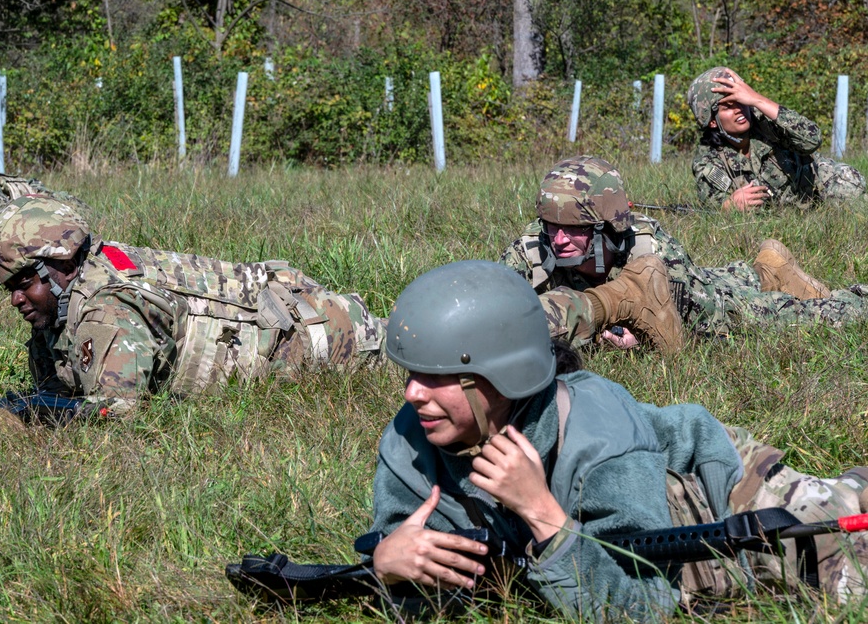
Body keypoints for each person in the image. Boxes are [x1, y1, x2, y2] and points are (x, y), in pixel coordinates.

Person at [368, 260, 868, 619]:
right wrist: (388, 566)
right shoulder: (410, 443)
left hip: (722, 498)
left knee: (853, 567)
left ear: (502, 377)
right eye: (412, 372)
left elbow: (646, 606)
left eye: (437, 376)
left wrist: (541, 513)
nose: (412, 393)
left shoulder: (596, 434)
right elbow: (440, 594)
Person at [0, 196, 386, 416]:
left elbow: (116, 414)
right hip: (303, 317)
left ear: (60, 264)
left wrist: (25, 413)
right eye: (8, 287)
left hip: (331, 343)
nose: (16, 299)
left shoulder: (108, 307)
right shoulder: (79, 285)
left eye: (24, 283)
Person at [500, 155, 868, 350]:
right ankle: (766, 270)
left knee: (741, 315)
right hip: (705, 280)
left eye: (574, 229)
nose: (559, 238)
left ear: (605, 227)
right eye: (552, 225)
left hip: (702, 299)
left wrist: (639, 336)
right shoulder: (533, 247)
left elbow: (678, 322)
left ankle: (852, 300)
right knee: (726, 279)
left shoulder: (646, 244)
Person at [688, 67, 865, 211]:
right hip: (787, 213)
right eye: (727, 107)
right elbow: (712, 205)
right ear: (711, 121)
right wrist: (729, 206)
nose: (738, 110)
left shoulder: (765, 121)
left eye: (740, 101)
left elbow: (813, 139)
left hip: (815, 186)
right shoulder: (708, 160)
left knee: (850, 186)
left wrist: (756, 99)